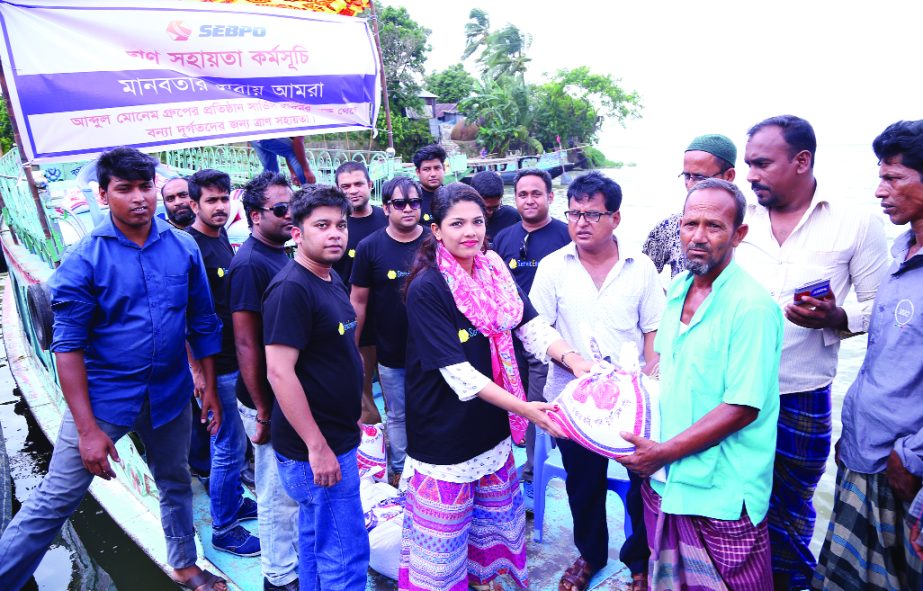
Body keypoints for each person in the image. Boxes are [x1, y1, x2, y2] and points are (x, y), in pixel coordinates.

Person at [0, 147, 227, 591]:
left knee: (175, 480)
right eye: (125, 189)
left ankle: (183, 564)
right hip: (104, 397)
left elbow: (201, 321)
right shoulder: (84, 258)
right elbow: (67, 347)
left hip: (170, 390)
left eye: (146, 187)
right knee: (56, 498)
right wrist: (87, 430)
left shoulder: (182, 247)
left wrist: (210, 388)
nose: (139, 198)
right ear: (103, 195)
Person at [399, 183, 593, 591]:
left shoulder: (493, 270)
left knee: (494, 536)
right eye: (457, 224)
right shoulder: (428, 286)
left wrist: (574, 361)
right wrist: (528, 409)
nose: (469, 232)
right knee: (442, 553)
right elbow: (459, 375)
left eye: (477, 222)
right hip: (444, 436)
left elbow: (532, 326)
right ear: (436, 230)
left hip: (493, 429)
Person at [736, 115, 889, 591]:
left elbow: (881, 305)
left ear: (802, 161)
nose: (750, 175)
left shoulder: (855, 222)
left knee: (794, 507)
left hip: (803, 393)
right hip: (732, 393)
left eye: (762, 164)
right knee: (739, 504)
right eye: (747, 165)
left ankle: (794, 583)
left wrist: (836, 319)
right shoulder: (738, 219)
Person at [619, 178, 783, 591]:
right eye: (690, 224)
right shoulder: (677, 290)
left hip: (722, 491)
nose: (698, 236)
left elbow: (742, 408)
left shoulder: (752, 308)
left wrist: (661, 453)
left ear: (739, 234)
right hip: (668, 479)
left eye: (714, 226)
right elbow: (668, 372)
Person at [530, 171, 664, 591]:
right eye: (573, 213)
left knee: (643, 486)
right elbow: (533, 328)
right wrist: (572, 359)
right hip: (572, 402)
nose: (581, 222)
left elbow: (654, 331)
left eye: (592, 213)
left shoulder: (640, 267)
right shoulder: (554, 266)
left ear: (616, 218)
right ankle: (589, 556)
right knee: (582, 486)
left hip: (631, 406)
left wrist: (648, 382)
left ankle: (639, 562)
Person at [813, 119, 923, 591]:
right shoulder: (902, 252)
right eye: (881, 177)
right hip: (865, 449)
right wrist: (835, 317)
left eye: (894, 178)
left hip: (903, 467)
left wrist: (914, 457)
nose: (880, 191)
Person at [264, 186, 370, 590]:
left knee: (315, 538)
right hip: (318, 448)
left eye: (341, 225)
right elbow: (279, 372)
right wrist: (317, 446)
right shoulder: (292, 288)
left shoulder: (330, 276)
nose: (335, 235)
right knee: (345, 551)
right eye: (321, 226)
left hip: (335, 435)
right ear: (296, 233)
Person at [228, 172, 300, 591]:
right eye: (279, 209)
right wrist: (263, 409)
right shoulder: (250, 264)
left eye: (291, 206)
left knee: (290, 485)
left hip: (283, 392)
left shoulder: (280, 252)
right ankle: (278, 575)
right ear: (255, 215)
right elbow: (245, 342)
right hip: (264, 399)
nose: (289, 214)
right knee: (274, 490)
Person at [187, 169, 260, 557]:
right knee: (227, 445)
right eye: (210, 200)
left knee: (232, 443)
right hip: (216, 366)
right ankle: (224, 528)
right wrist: (200, 375)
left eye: (223, 199)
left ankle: (232, 499)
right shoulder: (192, 246)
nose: (219, 207)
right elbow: (185, 317)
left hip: (233, 357)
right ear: (194, 204)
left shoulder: (221, 243)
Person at [492, 168, 571, 500]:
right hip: (507, 341)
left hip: (546, 341)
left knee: (539, 407)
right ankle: (504, 472)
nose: (529, 200)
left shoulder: (567, 235)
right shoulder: (504, 238)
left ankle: (533, 476)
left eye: (536, 193)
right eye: (522, 194)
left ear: (551, 197)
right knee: (510, 404)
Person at [349, 176, 427, 480]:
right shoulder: (370, 247)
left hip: (433, 349)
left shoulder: (434, 242)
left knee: (432, 410)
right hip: (392, 350)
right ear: (386, 208)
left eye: (414, 202)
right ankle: (400, 471)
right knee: (398, 414)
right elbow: (358, 301)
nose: (408, 209)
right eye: (399, 203)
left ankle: (431, 468)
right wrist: (351, 347)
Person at [332, 161, 388, 425]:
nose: (352, 191)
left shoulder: (387, 219)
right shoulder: (335, 228)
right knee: (362, 393)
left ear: (370, 185)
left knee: (398, 392)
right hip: (355, 323)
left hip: (392, 323)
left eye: (358, 184)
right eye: (345, 186)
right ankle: (376, 451)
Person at [642, 134, 737, 278]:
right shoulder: (669, 227)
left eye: (700, 178)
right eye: (687, 176)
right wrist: (671, 298)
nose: (691, 185)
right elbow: (640, 277)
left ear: (729, 176)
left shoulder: (752, 228)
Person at [469, 170, 521, 249]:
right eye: (484, 208)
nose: (490, 212)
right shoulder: (463, 221)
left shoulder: (512, 217)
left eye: (495, 207)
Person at [251, 136, 317, 186]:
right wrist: (306, 170)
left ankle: (266, 197)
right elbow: (297, 143)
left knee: (271, 171)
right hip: (267, 134)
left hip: (255, 134)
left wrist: (293, 173)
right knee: (294, 152)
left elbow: (289, 148)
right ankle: (309, 190)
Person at [412, 143, 447, 222]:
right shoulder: (412, 201)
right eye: (427, 169)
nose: (433, 174)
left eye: (437, 168)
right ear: (418, 172)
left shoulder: (453, 196)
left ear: (444, 169)